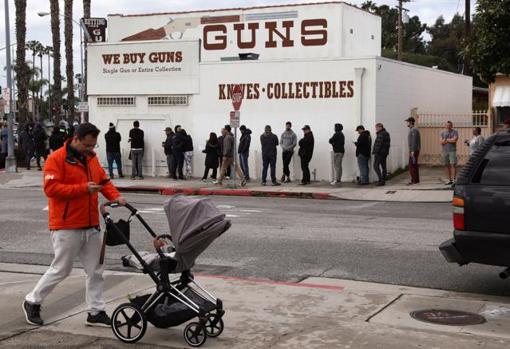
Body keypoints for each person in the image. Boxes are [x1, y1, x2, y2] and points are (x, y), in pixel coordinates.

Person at [22, 122, 127, 327]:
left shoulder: (91, 159)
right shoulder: (56, 158)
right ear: (76, 139)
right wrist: (83, 189)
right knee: (61, 269)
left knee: (96, 270)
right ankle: (32, 301)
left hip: (91, 224)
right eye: (87, 145)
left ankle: (96, 311)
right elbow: (51, 189)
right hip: (66, 224)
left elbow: (103, 181)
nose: (91, 149)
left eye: (93, 146)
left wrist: (117, 197)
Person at [440, 121, 459, 185]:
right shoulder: (442, 132)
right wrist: (449, 140)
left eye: (450, 125)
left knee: (453, 164)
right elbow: (441, 142)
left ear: (452, 125)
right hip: (444, 151)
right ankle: (449, 179)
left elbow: (454, 140)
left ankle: (454, 179)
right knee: (446, 165)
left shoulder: (455, 132)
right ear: (445, 126)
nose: (448, 126)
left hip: (452, 150)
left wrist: (446, 139)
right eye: (447, 125)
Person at [405, 117, 421, 185]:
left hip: (413, 150)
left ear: (411, 122)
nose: (407, 123)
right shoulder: (412, 129)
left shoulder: (414, 130)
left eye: (408, 122)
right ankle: (416, 180)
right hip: (414, 150)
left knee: (411, 165)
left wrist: (412, 151)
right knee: (414, 165)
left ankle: (414, 180)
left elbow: (414, 141)